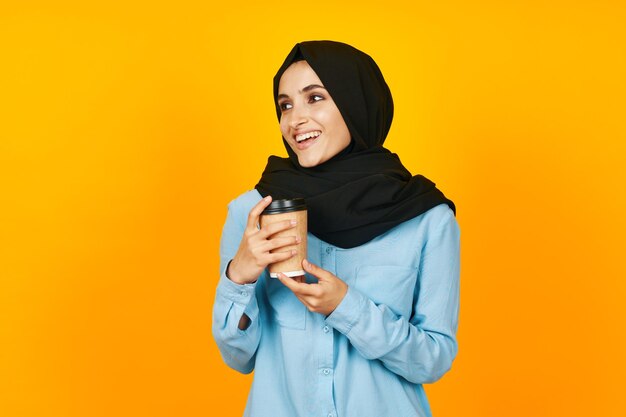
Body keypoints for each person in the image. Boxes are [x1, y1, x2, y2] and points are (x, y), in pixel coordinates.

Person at [212, 40, 460, 417]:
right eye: (285, 105)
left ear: (356, 102)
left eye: (315, 98)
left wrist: (346, 307)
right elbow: (238, 357)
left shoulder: (426, 218)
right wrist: (239, 278)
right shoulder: (255, 211)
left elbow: (433, 360)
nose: (295, 120)